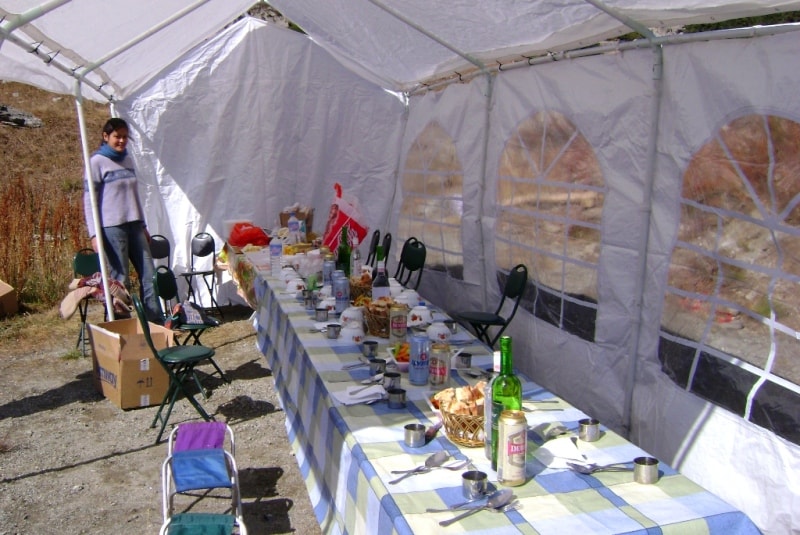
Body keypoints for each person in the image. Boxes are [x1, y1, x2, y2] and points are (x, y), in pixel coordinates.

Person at [83, 118, 161, 323]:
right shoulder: (96, 162)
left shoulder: (127, 159)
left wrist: (143, 224)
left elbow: (134, 197)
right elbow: (89, 201)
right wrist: (93, 234)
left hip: (135, 224)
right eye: (117, 136)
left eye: (125, 137)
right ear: (106, 136)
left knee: (149, 275)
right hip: (112, 227)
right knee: (121, 279)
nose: (121, 141)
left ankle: (155, 324)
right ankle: (122, 326)